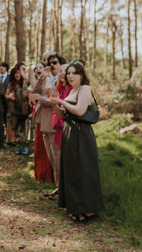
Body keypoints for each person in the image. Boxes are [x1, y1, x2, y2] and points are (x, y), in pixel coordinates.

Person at [50, 62, 105, 222]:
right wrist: (55, 106)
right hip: (69, 132)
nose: (70, 76)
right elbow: (65, 114)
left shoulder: (85, 89)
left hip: (81, 134)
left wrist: (61, 101)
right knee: (72, 170)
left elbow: (80, 111)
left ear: (81, 75)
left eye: (74, 73)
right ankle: (75, 206)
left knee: (84, 170)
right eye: (68, 73)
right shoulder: (72, 91)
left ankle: (88, 209)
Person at [30, 53, 66, 199]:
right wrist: (42, 78)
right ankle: (59, 188)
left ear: (61, 64)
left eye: (55, 62)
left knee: (57, 157)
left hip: (54, 122)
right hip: (43, 122)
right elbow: (35, 92)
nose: (51, 65)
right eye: (50, 62)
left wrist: (41, 100)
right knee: (52, 158)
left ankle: (62, 189)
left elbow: (56, 100)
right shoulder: (48, 79)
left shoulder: (62, 81)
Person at [6, 65, 30, 155]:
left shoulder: (26, 82)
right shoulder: (12, 84)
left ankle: (25, 145)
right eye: (15, 73)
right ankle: (18, 146)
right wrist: (11, 97)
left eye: (18, 73)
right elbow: (6, 95)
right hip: (14, 109)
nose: (17, 75)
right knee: (15, 128)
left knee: (24, 129)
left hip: (24, 109)